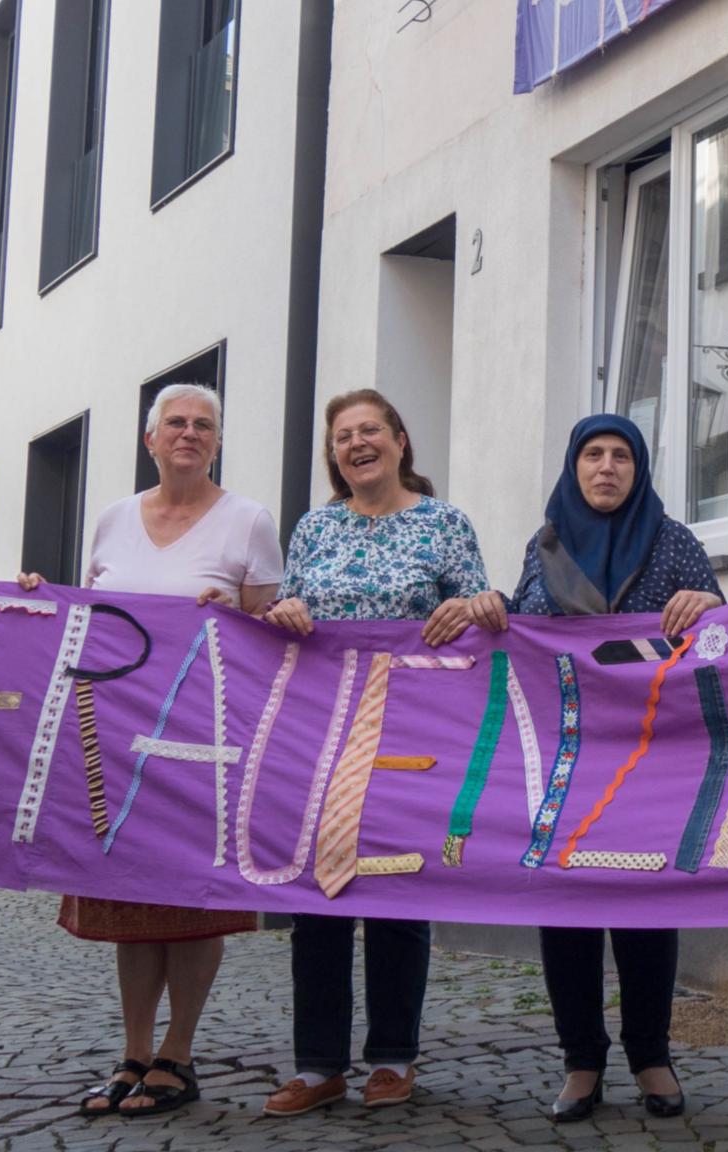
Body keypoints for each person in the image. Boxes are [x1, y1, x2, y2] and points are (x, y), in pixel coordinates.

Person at [18, 384, 284, 1117]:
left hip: (204, 742)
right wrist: (43, 598)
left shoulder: (249, 521)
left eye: (204, 425)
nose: (190, 434)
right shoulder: (111, 519)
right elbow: (94, 618)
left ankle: (179, 1053)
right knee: (132, 899)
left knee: (189, 901)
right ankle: (134, 1050)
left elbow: (273, 640)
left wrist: (236, 616)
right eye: (177, 423)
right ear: (151, 439)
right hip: (116, 740)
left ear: (218, 441)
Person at [468, 414, 722, 1122]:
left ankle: (651, 1057)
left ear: (639, 469)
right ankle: (581, 1062)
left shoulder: (675, 544)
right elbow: (527, 631)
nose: (606, 467)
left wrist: (711, 602)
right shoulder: (544, 544)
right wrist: (497, 608)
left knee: (645, 906)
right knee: (566, 908)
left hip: (650, 757)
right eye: (592, 455)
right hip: (566, 754)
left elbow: (719, 639)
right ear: (573, 469)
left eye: (620, 456)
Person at [258, 389, 487, 1117]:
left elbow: (482, 613)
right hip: (319, 730)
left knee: (395, 888)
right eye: (343, 436)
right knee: (316, 892)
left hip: (412, 729)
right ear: (334, 455)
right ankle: (318, 1063)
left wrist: (472, 607)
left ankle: (393, 1056)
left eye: (369, 431)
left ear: (400, 438)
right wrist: (283, 611)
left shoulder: (446, 523)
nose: (356, 443)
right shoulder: (315, 528)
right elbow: (286, 612)